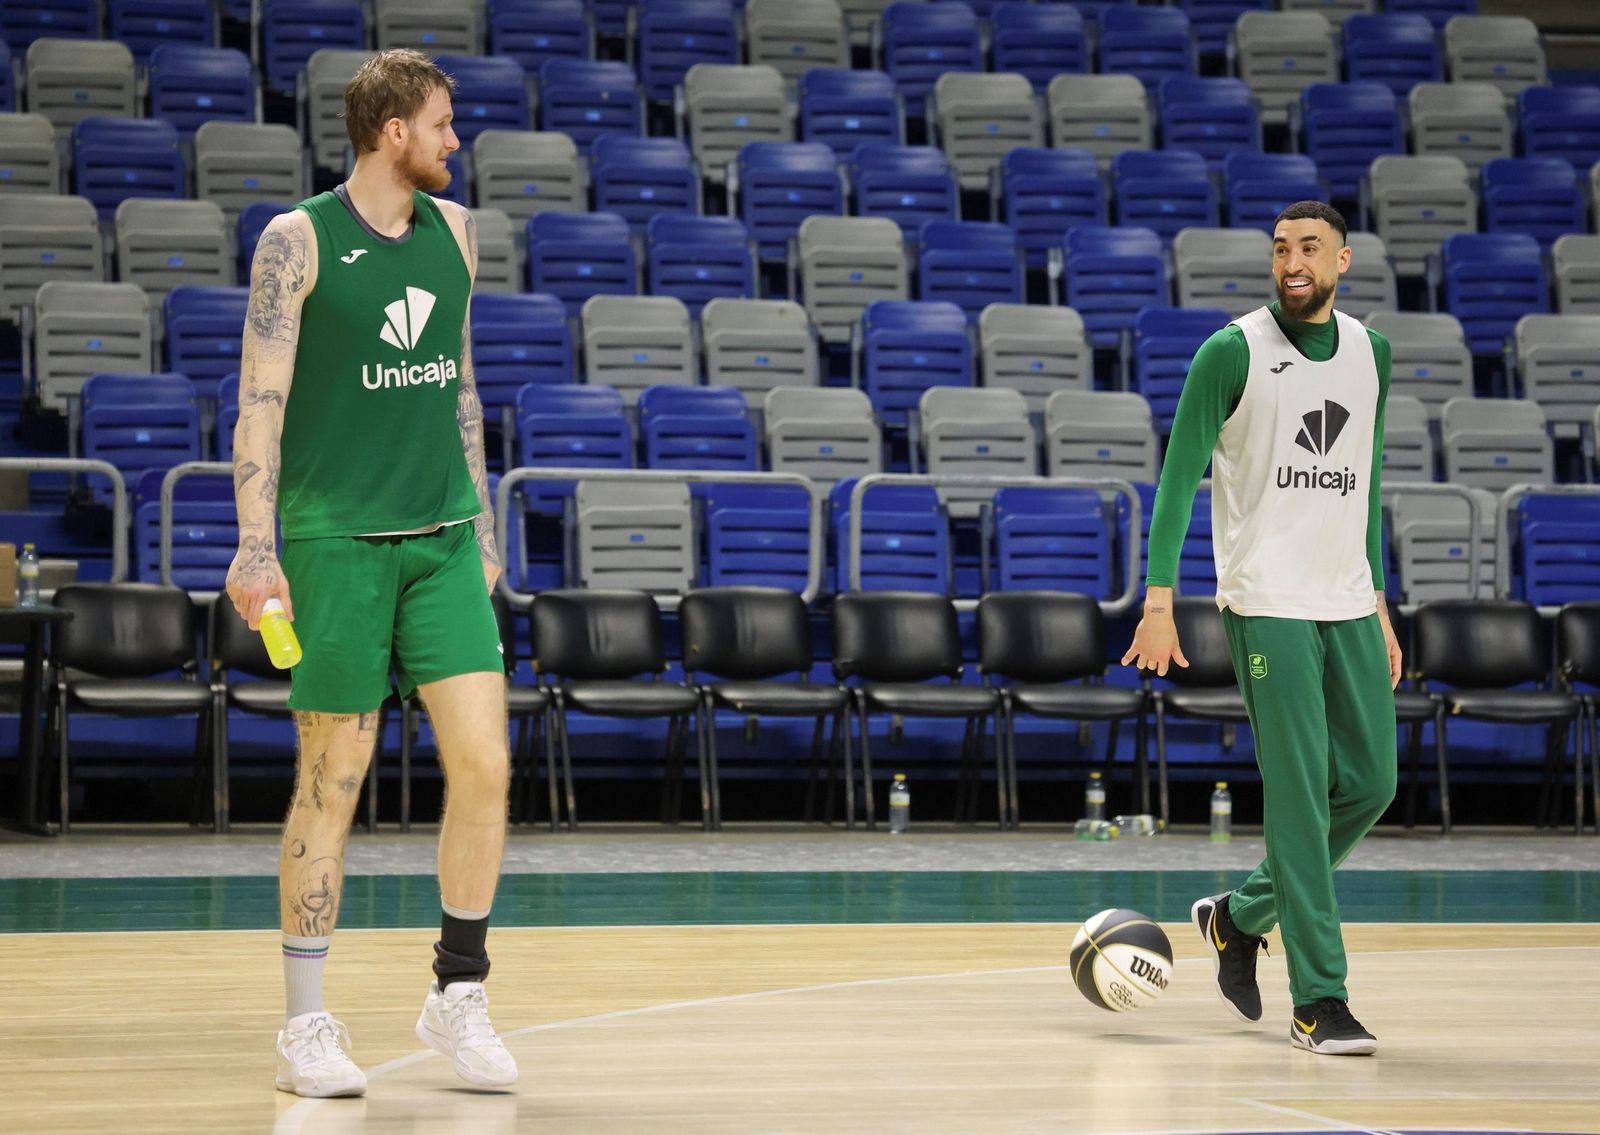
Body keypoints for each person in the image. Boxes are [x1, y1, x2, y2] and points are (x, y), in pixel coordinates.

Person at [225, 49, 517, 1097]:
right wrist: (257, 544)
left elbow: (461, 384)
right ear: (392, 130)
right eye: (440, 123)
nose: (452, 140)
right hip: (332, 541)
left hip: (440, 535)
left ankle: (458, 990)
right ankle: (306, 1026)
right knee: (331, 783)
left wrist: (481, 521)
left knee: (485, 761)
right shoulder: (295, 242)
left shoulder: (458, 233)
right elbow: (259, 398)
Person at [1120, 201, 1401, 1057]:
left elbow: (1367, 483)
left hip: (1348, 598)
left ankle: (1239, 918)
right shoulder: (1231, 351)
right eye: (1281, 248)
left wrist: (1382, 602)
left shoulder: (1371, 353)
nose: (1292, 261)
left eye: (1309, 247)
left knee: (1372, 783)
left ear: (1343, 260)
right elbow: (1177, 480)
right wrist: (1159, 597)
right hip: (1266, 600)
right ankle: (1320, 999)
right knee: (1301, 792)